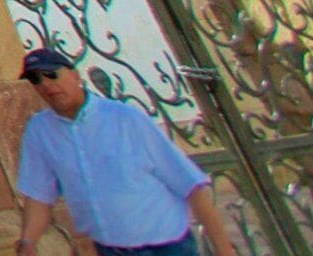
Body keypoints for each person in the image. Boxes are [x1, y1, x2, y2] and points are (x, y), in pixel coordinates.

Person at [15, 47, 238, 256]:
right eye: (36, 79)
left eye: (51, 74)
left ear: (75, 75)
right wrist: (28, 241)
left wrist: (224, 249)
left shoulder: (125, 119)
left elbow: (190, 184)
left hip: (166, 247)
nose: (45, 84)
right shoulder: (40, 131)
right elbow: (39, 194)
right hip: (111, 249)